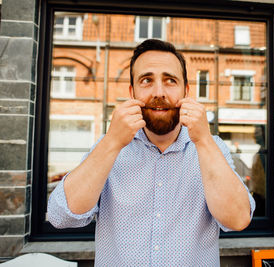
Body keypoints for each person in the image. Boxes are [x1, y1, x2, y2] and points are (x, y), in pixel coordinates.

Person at [47, 39, 255, 266]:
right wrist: (112, 142)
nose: (159, 92)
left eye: (170, 80)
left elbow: (238, 219)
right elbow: (60, 216)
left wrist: (203, 140)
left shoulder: (212, 147)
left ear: (186, 91)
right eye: (146, 80)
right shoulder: (108, 146)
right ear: (132, 92)